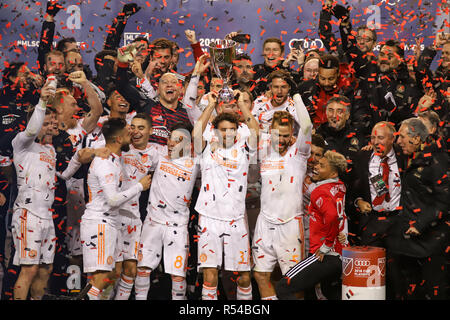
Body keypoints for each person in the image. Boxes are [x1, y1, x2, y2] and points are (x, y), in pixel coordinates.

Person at [192, 89, 259, 300]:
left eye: (231, 129)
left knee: (243, 277)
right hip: (209, 218)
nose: (227, 133)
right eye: (223, 130)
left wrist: (241, 104)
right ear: (215, 130)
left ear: (237, 131)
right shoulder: (206, 148)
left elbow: (255, 129)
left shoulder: (245, 148)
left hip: (236, 219)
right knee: (210, 277)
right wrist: (211, 105)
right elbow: (195, 133)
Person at [79, 118, 151, 300]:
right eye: (128, 133)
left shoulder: (112, 158)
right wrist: (139, 187)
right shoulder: (106, 164)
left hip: (109, 223)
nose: (132, 135)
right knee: (101, 277)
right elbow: (112, 200)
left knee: (113, 272)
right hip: (99, 223)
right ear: (118, 139)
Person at [252, 93, 312, 300]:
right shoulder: (263, 150)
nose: (282, 139)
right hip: (264, 221)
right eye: (278, 134)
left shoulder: (299, 152)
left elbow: (307, 126)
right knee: (260, 274)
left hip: (290, 224)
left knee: (293, 281)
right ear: (270, 132)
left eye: (286, 135)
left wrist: (296, 99)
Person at [136, 122, 199, 300]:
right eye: (170, 139)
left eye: (177, 141)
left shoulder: (195, 163)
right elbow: (138, 147)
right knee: (143, 269)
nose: (171, 144)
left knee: (177, 275)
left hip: (178, 227)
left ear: (188, 144)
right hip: (153, 222)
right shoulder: (159, 155)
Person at [388, 118, 449, 300]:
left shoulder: (438, 160)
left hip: (433, 241)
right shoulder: (410, 157)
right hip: (410, 241)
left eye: (403, 137)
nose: (398, 142)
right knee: (409, 290)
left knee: (434, 291)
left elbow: (445, 200)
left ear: (416, 139)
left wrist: (420, 224)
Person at [275, 151, 348, 300]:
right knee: (330, 293)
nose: (316, 167)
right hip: (340, 254)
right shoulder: (340, 186)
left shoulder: (319, 192)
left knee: (283, 286)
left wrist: (326, 245)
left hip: (325, 255)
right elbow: (339, 217)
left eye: (322, 166)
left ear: (333, 172)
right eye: (317, 164)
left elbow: (333, 216)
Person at [10, 80, 58, 300]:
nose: (50, 126)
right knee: (28, 269)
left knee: (44, 269)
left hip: (47, 216)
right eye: (46, 122)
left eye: (52, 122)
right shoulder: (21, 142)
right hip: (28, 214)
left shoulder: (50, 150)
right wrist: (42, 101)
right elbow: (31, 129)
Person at [114, 114, 160, 300]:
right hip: (113, 215)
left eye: (141, 127)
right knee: (113, 272)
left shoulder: (156, 155)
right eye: (133, 127)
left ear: (150, 131)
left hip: (133, 216)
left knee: (131, 270)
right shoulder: (120, 147)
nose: (136, 131)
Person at [252, 69, 299, 135]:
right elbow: (250, 124)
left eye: (283, 87)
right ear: (270, 88)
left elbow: (307, 128)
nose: (279, 91)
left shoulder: (294, 107)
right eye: (276, 87)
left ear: (289, 88)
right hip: (258, 141)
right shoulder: (260, 101)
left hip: (281, 143)